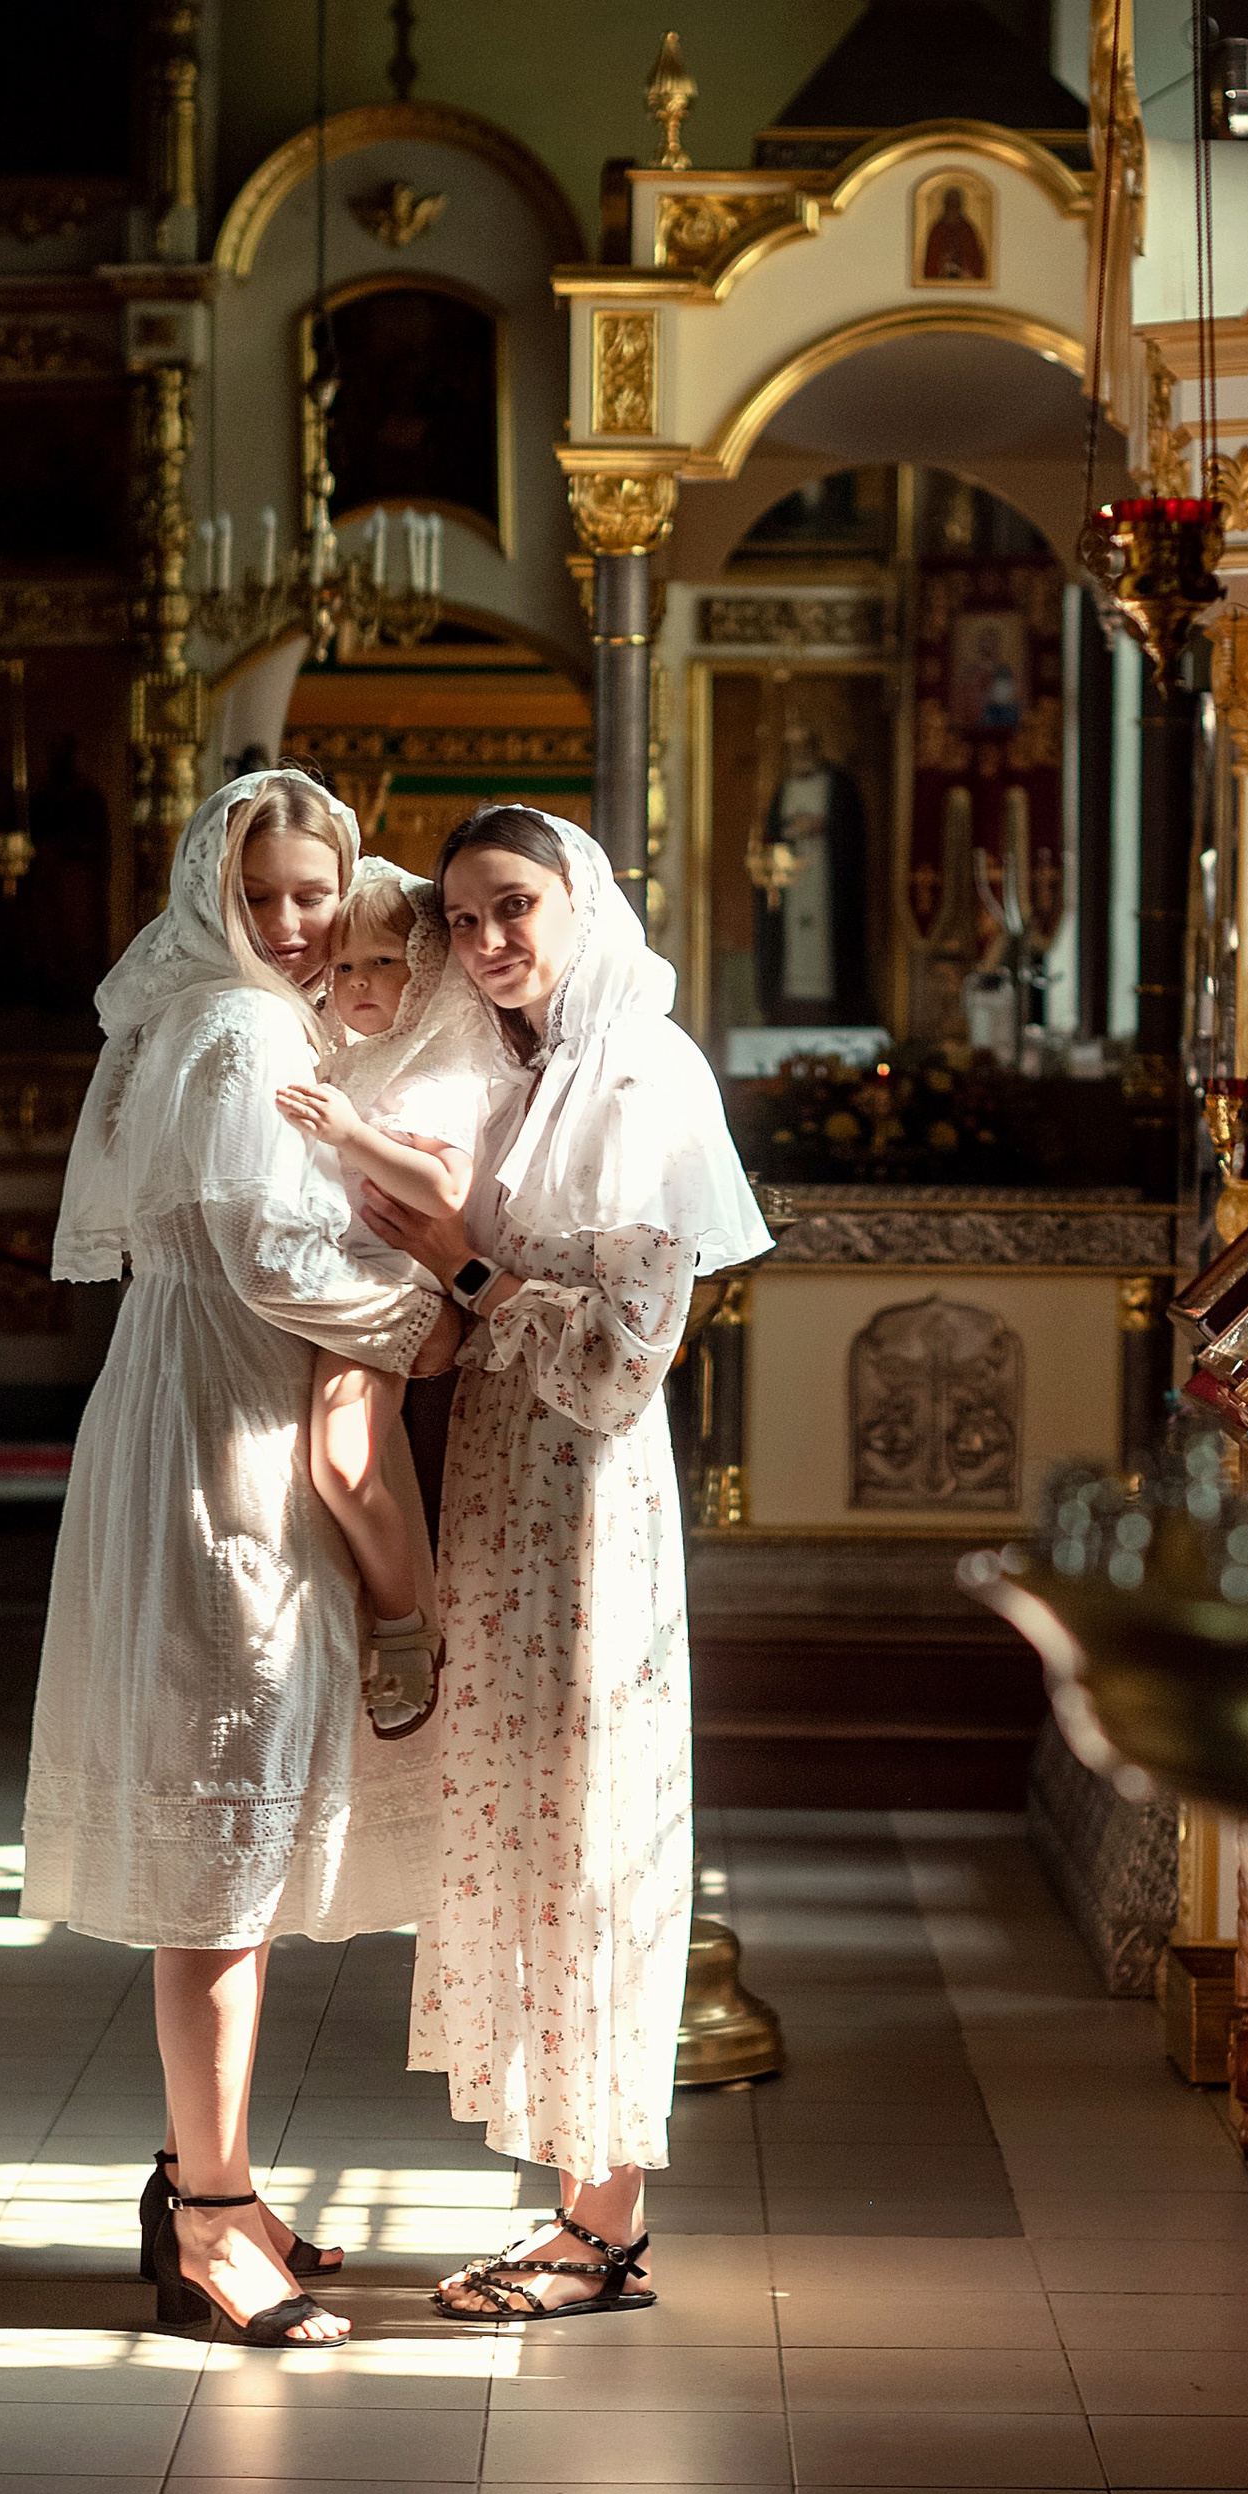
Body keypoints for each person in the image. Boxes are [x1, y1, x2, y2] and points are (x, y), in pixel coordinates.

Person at [21, 771, 463, 2347]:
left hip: (210, 1420)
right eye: (263, 893)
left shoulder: (230, 1014)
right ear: (217, 889)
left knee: (241, 1835)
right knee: (224, 1837)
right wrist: (443, 1311)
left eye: (313, 894)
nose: (291, 923)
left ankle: (206, 2179)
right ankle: (209, 2215)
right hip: (224, 1445)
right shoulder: (242, 1025)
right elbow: (274, 1256)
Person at [357, 808, 771, 2320]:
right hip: (497, 1489)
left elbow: (622, 1356)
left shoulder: (644, 1071)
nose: (488, 943)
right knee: (526, 1819)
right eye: (463, 919)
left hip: (589, 1500)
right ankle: (573, 2202)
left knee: (596, 1824)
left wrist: (464, 1260)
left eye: (513, 906)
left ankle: (607, 2225)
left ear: (581, 901)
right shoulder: (515, 1075)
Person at [274, 860, 505, 1741]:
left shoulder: (440, 1063)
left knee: (342, 1460)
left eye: (386, 963)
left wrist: (353, 1133)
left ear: (430, 972)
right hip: (331, 1273)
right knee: (328, 1464)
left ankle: (406, 1630)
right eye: (344, 968)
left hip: (388, 1282)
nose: (361, 984)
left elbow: (443, 1190)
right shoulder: (350, 1055)